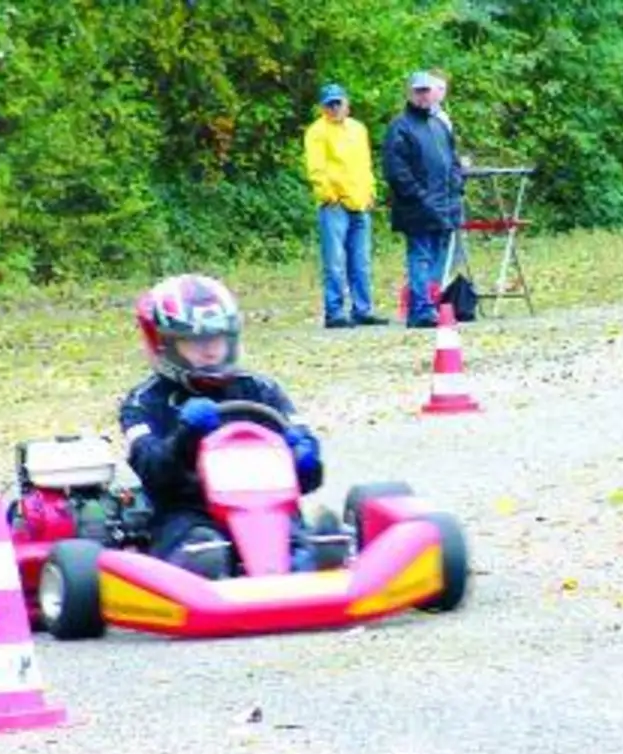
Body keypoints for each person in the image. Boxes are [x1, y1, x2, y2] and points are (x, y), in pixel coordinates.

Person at [119, 273, 328, 578]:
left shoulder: (260, 390)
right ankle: (202, 569)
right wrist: (185, 437)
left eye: (217, 338)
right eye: (196, 341)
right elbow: (152, 471)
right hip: (190, 512)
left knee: (298, 535)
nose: (211, 350)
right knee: (202, 547)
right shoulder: (144, 402)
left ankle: (310, 557)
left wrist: (304, 456)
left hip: (267, 509)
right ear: (164, 344)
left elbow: (309, 476)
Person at [380, 71, 466, 329]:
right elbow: (396, 170)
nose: (423, 96)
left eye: (427, 90)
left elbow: (452, 161)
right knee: (420, 256)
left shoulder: (439, 125)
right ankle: (420, 309)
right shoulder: (400, 127)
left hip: (445, 204)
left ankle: (430, 302)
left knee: (440, 257)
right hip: (417, 207)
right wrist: (420, 197)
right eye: (418, 91)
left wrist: (457, 186)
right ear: (410, 93)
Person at [303, 83, 387, 329]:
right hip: (335, 204)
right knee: (335, 260)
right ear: (322, 107)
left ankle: (363, 309)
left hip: (360, 201)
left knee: (361, 260)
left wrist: (371, 191)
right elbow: (316, 168)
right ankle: (335, 311)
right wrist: (329, 195)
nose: (335, 108)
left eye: (338, 102)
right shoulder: (317, 132)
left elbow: (365, 164)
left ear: (347, 104)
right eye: (330, 104)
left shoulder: (358, 129)